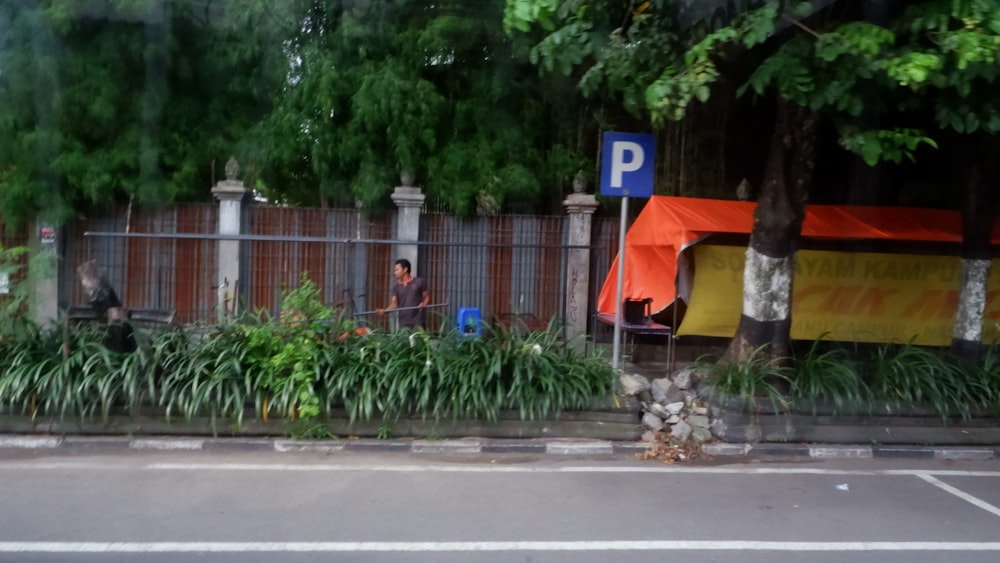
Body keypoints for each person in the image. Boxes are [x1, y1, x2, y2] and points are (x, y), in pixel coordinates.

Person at [376, 258, 430, 329]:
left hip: (417, 320)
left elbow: (427, 297)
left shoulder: (419, 282)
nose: (395, 272)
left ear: (405, 269)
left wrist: (424, 304)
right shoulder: (396, 287)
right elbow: (394, 304)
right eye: (395, 270)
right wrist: (384, 311)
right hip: (403, 321)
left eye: (397, 270)